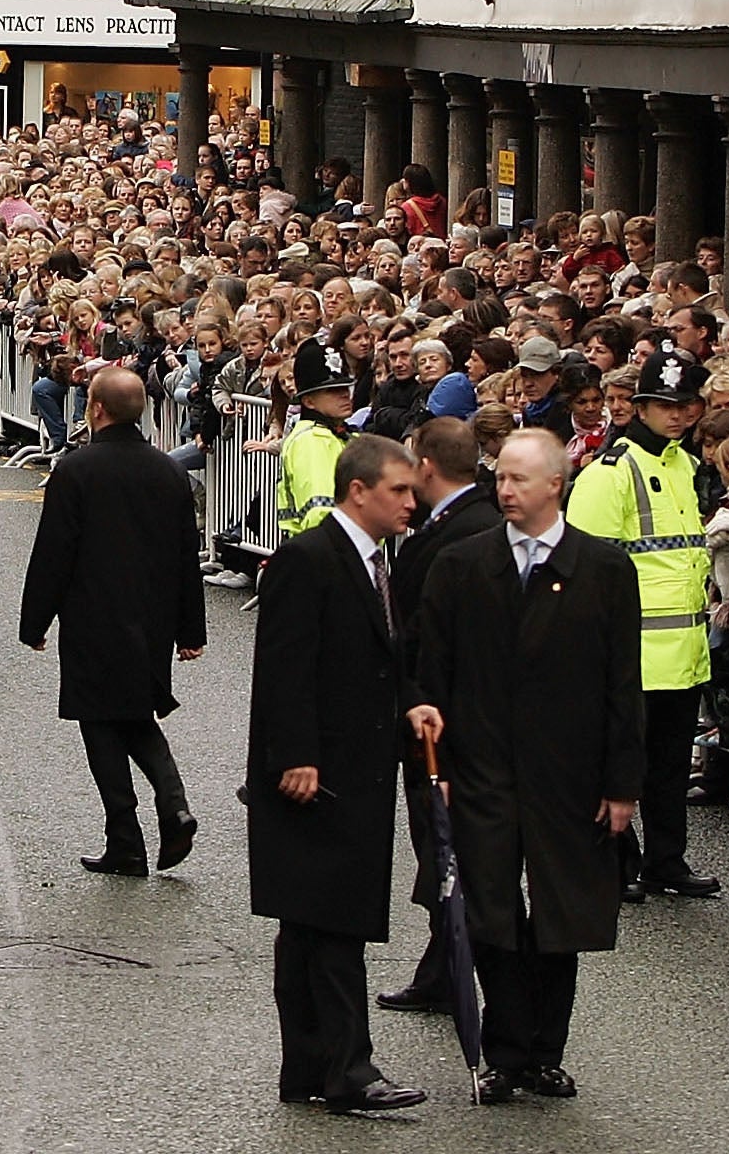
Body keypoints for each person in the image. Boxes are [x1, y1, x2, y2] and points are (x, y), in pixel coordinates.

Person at [408, 425, 645, 1102]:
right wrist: (438, 767)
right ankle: (506, 1047)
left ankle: (546, 1049)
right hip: (481, 765)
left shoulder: (602, 570)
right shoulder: (462, 563)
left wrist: (621, 786)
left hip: (567, 772)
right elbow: (432, 671)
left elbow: (621, 687)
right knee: (488, 909)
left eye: (517, 479)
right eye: (498, 477)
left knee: (560, 913)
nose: (504, 490)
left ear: (555, 484)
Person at [245, 430, 426, 1115]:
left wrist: (413, 709)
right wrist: (295, 754)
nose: (411, 501)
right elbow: (285, 666)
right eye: (398, 491)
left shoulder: (379, 561)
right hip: (316, 773)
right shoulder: (308, 559)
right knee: (329, 925)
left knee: (314, 927)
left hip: (358, 765)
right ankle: (348, 1069)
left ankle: (311, 1068)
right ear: (359, 491)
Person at [19, 366, 206, 875]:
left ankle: (125, 837)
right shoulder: (169, 471)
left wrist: (34, 621)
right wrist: (191, 631)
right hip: (154, 616)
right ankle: (174, 804)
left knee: (100, 721)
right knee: (136, 714)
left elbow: (54, 552)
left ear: (96, 409)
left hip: (93, 613)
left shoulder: (77, 470)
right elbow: (186, 555)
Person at [563, 345, 721, 901]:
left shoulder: (683, 463)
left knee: (670, 768)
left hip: (682, 651)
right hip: (630, 652)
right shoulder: (613, 471)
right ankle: (615, 862)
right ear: (641, 406)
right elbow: (585, 566)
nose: (677, 415)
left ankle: (665, 861)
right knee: (619, 765)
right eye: (665, 405)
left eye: (686, 404)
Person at [376, 414, 505, 1013]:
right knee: (438, 846)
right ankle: (441, 964)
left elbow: (430, 635)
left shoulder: (463, 533)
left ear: (426, 465)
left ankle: (455, 965)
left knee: (445, 844)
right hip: (440, 711)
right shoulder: (458, 522)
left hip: (444, 717)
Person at [272, 337, 354, 539]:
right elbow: (321, 513)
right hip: (329, 557)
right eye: (333, 391)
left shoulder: (340, 434)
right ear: (308, 401)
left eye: (345, 388)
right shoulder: (310, 441)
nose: (344, 395)